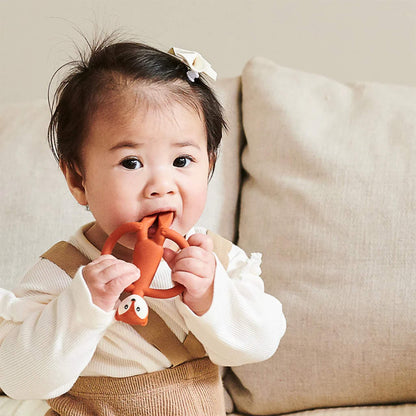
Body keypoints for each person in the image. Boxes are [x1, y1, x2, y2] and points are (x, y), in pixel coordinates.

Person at [0, 36, 286, 415]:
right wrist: (82, 308)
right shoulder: (64, 272)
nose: (161, 185)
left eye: (182, 161)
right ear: (77, 178)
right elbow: (18, 378)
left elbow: (259, 344)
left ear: (210, 164)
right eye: (132, 163)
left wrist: (211, 297)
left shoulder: (215, 258)